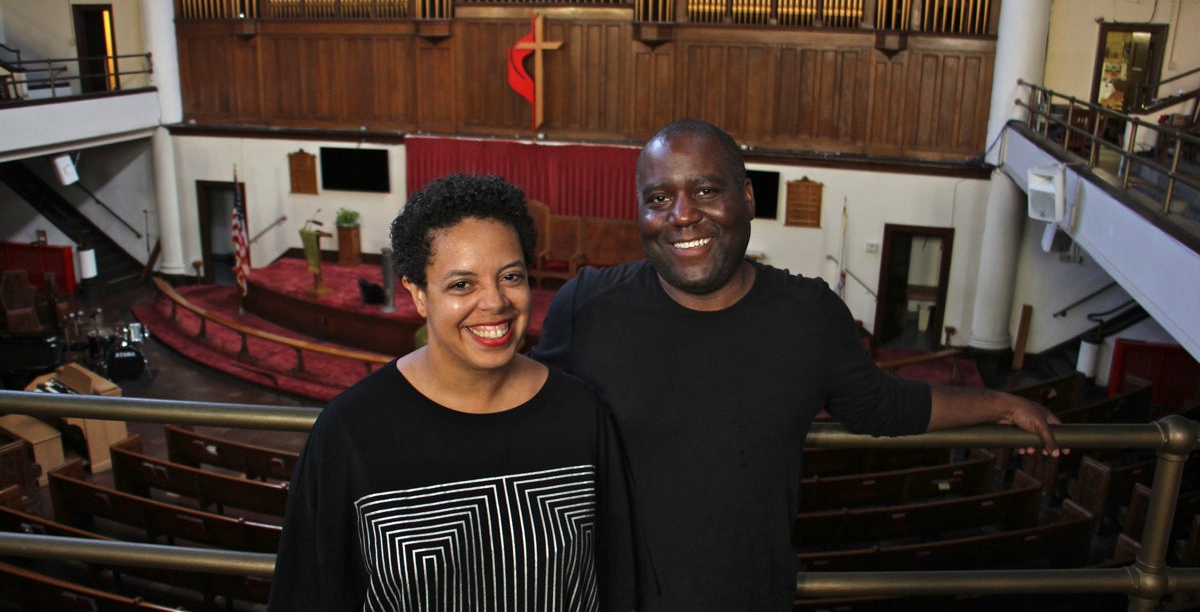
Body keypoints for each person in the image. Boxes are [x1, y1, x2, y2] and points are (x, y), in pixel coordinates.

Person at [530, 119, 1064, 611]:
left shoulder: (808, 315)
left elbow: (882, 405)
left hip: (749, 596)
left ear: (746, 198)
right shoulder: (588, 307)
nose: (683, 214)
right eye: (660, 197)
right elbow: (526, 411)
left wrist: (998, 402)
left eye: (706, 191)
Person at [269, 174, 634, 612]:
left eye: (510, 276)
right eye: (462, 284)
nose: (495, 302)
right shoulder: (351, 432)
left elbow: (616, 581)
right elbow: (310, 595)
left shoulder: (580, 413)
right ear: (418, 294)